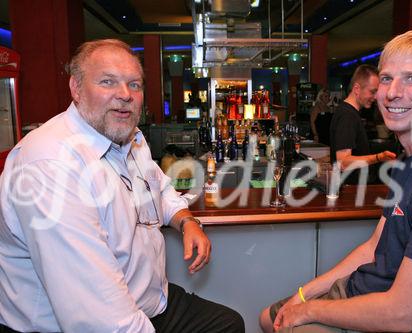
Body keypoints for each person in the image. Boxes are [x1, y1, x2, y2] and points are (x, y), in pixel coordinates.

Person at [260, 30, 412, 333]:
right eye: (386, 78)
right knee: (267, 318)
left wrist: (310, 310)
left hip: (391, 318)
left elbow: (401, 314)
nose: (392, 92)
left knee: (280, 325)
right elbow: (374, 247)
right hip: (364, 292)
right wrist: (304, 295)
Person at [0, 39, 244, 333]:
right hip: (75, 325)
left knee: (228, 325)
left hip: (149, 303)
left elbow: (159, 190)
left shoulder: (130, 137)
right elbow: (96, 316)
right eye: (108, 82)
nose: (125, 95)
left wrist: (186, 221)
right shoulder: (50, 166)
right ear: (76, 88)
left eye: (135, 85)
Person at [329, 64, 396, 184]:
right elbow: (343, 162)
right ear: (357, 89)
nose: (375, 97)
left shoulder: (350, 113)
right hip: (350, 190)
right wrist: (379, 157)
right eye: (372, 92)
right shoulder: (347, 116)